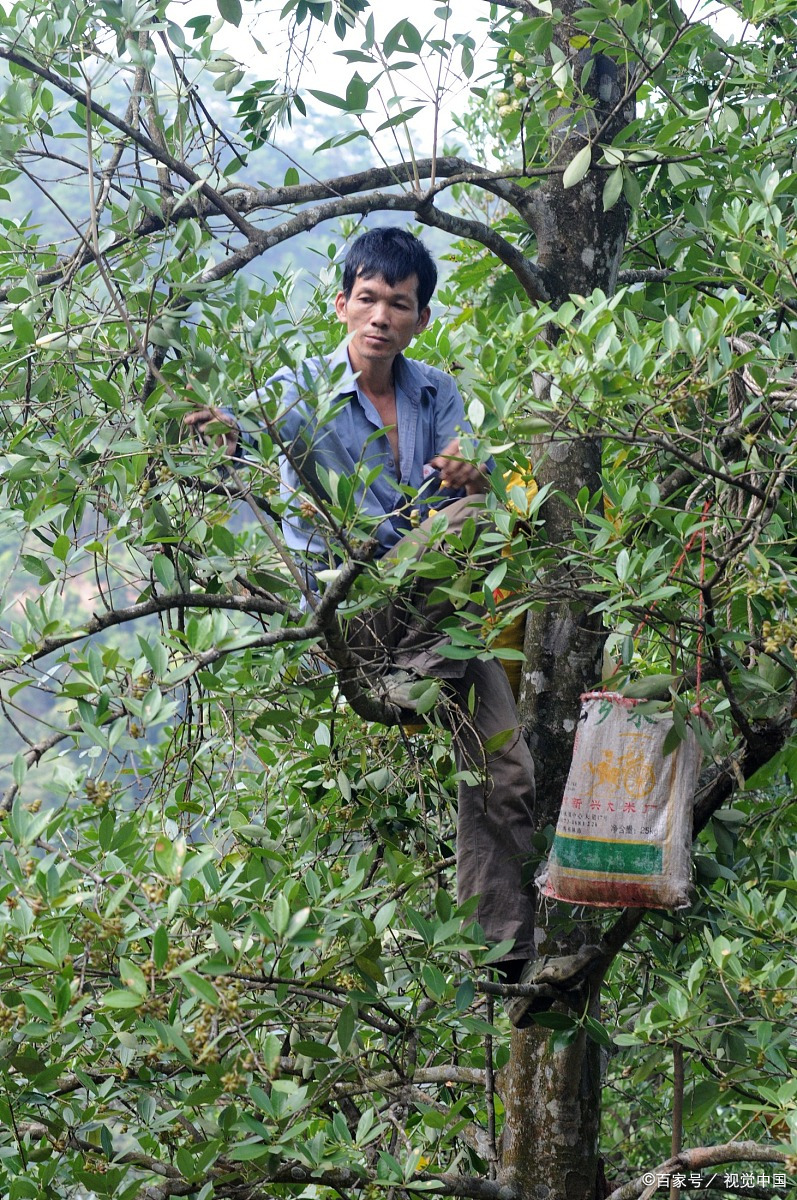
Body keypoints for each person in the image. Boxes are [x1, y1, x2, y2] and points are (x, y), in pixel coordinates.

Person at [185, 227, 537, 1026]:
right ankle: (415, 670)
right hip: (359, 614)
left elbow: (469, 476)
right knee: (471, 523)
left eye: (399, 304)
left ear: (418, 318)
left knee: (506, 769)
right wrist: (212, 429)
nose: (381, 316)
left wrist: (471, 473)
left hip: (439, 632)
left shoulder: (435, 393)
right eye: (368, 298)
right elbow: (237, 430)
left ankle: (498, 960)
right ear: (342, 302)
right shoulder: (298, 389)